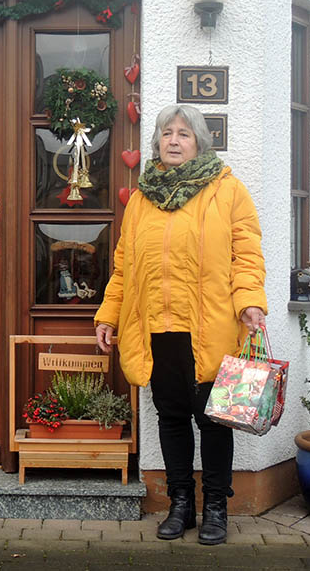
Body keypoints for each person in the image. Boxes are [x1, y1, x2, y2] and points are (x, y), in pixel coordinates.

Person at [94, 105, 267, 546]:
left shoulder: (227, 191)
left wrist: (250, 303)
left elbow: (246, 256)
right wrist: (109, 314)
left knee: (214, 419)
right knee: (171, 417)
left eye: (184, 134)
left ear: (199, 142)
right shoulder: (141, 199)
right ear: (156, 143)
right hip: (158, 328)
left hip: (210, 327)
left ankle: (216, 509)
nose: (173, 140)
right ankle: (181, 505)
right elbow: (124, 266)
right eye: (166, 133)